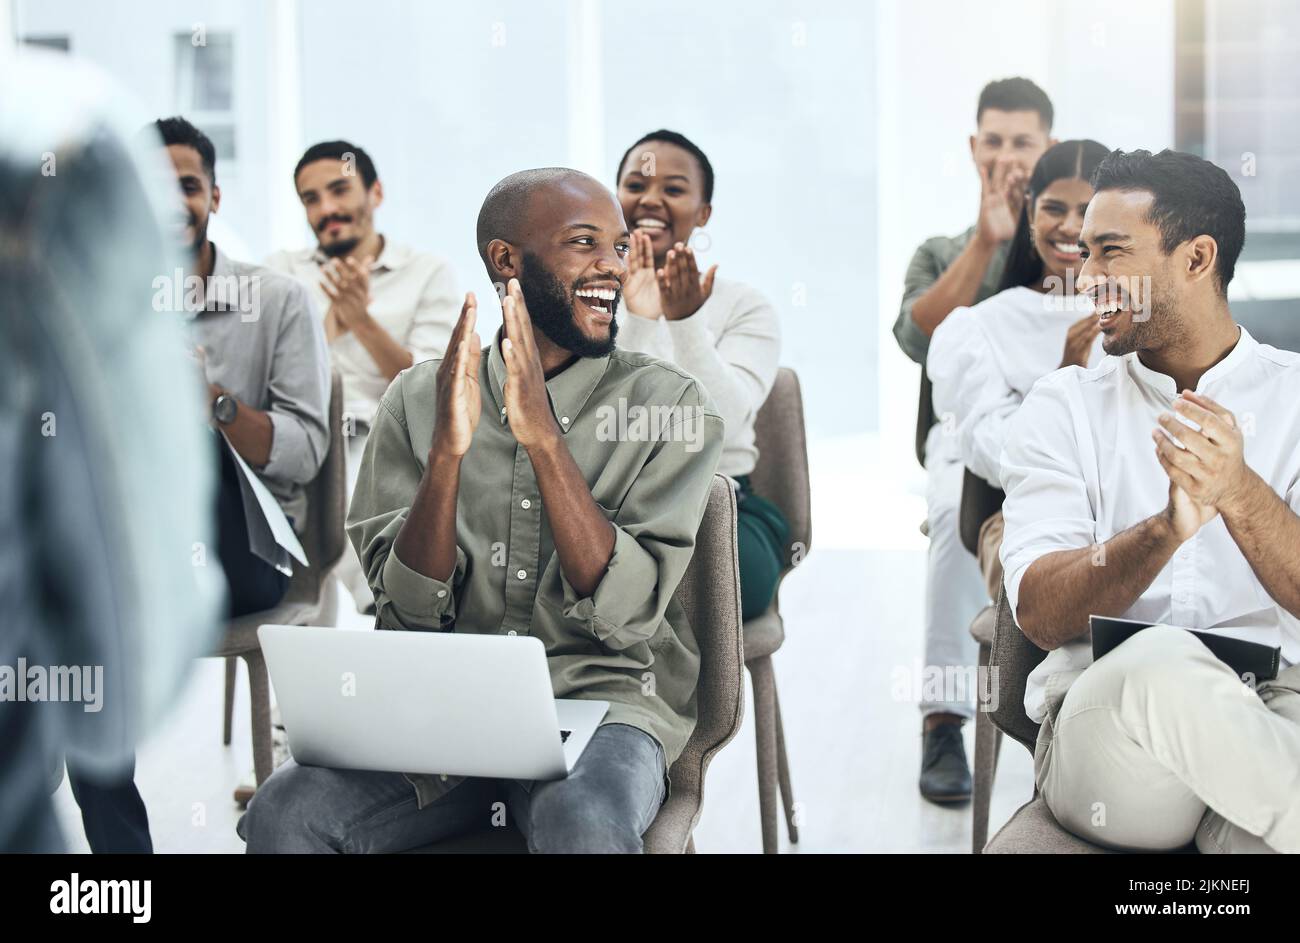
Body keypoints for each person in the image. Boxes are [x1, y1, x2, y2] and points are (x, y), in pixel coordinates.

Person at [237, 168, 724, 853]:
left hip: (603, 704)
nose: (610, 267)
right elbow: (405, 614)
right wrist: (445, 457)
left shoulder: (668, 409)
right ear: (506, 260)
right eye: (583, 243)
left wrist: (544, 441)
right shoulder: (416, 399)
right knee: (283, 812)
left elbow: (627, 612)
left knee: (582, 822)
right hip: (442, 715)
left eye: (616, 247)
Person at [1000, 149, 1300, 853]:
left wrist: (1238, 490)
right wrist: (1164, 531)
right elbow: (1040, 613)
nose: (1086, 276)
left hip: (1272, 708)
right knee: (1164, 659)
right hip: (1113, 744)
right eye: (1084, 253)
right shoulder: (1063, 406)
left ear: (1197, 258)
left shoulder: (1296, 398)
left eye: (1110, 252)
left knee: (1254, 836)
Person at [0, 55, 221, 853]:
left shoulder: (276, 297)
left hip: (241, 524)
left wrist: (217, 405)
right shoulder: (55, 156)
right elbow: (119, 689)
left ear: (214, 197)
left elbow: (303, 451)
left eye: (186, 188)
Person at [896, 77, 1055, 803]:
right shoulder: (940, 249)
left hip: (1055, 430)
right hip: (964, 435)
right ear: (973, 148)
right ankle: (943, 719)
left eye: (1022, 141)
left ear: (1047, 146)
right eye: (993, 140)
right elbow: (915, 334)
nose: (1007, 155)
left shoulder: (1073, 233)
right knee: (957, 532)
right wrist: (989, 238)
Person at [266, 140, 460, 614]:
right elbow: (270, 372)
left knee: (358, 477)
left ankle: (383, 605)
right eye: (311, 199)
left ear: (375, 193)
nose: (326, 209)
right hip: (303, 440)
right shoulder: (281, 274)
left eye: (339, 190)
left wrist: (363, 323)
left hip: (383, 441)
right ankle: (363, 613)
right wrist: (332, 321)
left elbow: (436, 385)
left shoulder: (426, 273)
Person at [613, 129, 784, 620]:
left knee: (709, 591)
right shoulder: (590, 295)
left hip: (718, 504)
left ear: (703, 212)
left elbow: (723, 424)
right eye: (635, 185)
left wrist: (686, 323)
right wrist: (640, 322)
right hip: (612, 503)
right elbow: (593, 421)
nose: (650, 200)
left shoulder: (745, 306)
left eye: (673, 189)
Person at [928, 139, 1109, 600]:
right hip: (1029, 517)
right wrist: (1062, 384)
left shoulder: (1143, 315)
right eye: (1054, 208)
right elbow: (994, 452)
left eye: (1087, 211)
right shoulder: (981, 328)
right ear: (1029, 213)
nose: (1071, 226)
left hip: (1131, 511)